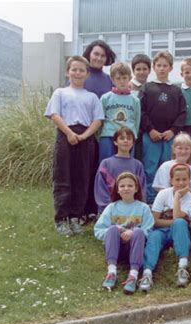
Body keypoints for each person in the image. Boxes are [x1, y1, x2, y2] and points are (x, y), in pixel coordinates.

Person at [44, 56, 104, 236]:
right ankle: (61, 219)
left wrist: (84, 136)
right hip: (65, 136)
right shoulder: (60, 93)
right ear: (67, 72)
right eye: (74, 69)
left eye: (81, 70)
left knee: (82, 179)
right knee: (63, 177)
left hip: (85, 138)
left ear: (87, 74)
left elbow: (98, 120)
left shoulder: (92, 97)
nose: (77, 73)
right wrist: (69, 134)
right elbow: (54, 115)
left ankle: (76, 217)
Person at [94, 172, 154, 294]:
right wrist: (117, 231)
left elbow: (149, 230)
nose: (126, 188)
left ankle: (133, 275)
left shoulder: (143, 208)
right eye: (122, 186)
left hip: (134, 249)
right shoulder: (112, 207)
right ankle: (111, 272)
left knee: (138, 231)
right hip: (115, 248)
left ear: (136, 188)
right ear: (117, 189)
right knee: (112, 228)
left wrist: (132, 233)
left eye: (130, 186)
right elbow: (98, 230)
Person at [140, 51, 187, 203]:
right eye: (159, 65)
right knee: (150, 169)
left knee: (168, 169)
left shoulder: (176, 90)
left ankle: (168, 202)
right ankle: (150, 201)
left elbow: (182, 113)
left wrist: (173, 131)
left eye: (165, 66)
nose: (161, 68)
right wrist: (150, 129)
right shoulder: (147, 88)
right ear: (154, 67)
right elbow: (142, 111)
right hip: (151, 136)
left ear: (170, 68)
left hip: (169, 137)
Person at [140, 164, 191, 292]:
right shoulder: (164, 194)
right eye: (177, 179)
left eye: (184, 179)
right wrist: (173, 222)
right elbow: (155, 221)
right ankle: (147, 273)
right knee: (154, 236)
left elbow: (178, 218)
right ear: (171, 180)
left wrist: (177, 197)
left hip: (180, 233)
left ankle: (182, 267)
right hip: (162, 231)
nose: (181, 183)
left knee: (180, 223)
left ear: (189, 181)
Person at [80, 40, 116, 222]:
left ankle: (95, 208)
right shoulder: (81, 75)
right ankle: (80, 209)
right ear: (89, 54)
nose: (99, 58)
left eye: (102, 55)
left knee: (98, 170)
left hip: (102, 134)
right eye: (96, 54)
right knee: (82, 171)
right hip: (81, 131)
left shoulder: (109, 80)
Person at [94, 127, 146, 213]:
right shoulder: (106, 163)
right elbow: (100, 188)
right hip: (109, 209)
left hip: (132, 209)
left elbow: (142, 188)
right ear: (115, 142)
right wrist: (109, 207)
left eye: (129, 139)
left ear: (133, 143)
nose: (126, 141)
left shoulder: (138, 165)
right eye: (122, 138)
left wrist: (138, 206)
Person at [99, 62, 141, 162]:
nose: (122, 81)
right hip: (108, 135)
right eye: (118, 78)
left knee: (126, 164)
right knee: (106, 163)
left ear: (129, 78)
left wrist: (133, 135)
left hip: (127, 137)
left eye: (124, 78)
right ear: (112, 79)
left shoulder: (135, 100)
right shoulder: (105, 98)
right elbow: (100, 120)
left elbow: (137, 121)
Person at [129, 54, 151, 161]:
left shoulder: (150, 88)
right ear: (133, 71)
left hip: (146, 131)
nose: (141, 72)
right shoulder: (128, 87)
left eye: (144, 69)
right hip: (131, 129)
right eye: (138, 69)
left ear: (149, 70)